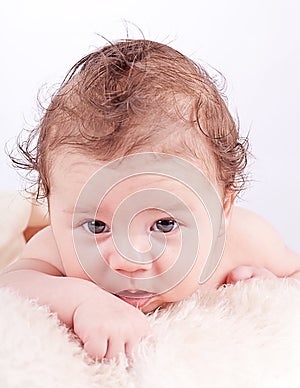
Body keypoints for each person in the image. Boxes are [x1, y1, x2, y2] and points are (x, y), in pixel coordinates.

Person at [1, 39, 299, 362]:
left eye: (164, 224)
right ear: (53, 208)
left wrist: (272, 287)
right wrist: (81, 299)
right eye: (97, 225)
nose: (129, 259)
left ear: (222, 211)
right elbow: (12, 284)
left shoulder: (245, 241)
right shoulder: (57, 249)